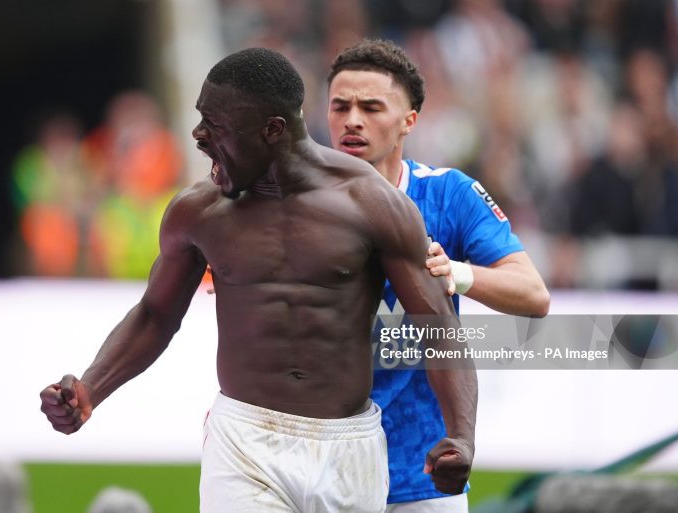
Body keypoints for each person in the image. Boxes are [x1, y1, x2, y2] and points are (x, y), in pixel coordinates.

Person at [40, 47, 475, 513]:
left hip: (349, 446)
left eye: (216, 125)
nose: (198, 135)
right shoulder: (198, 211)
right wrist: (90, 390)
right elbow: (155, 314)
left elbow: (438, 328)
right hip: (244, 441)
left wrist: (461, 437)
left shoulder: (370, 203)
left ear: (273, 131)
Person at [327, 39, 550, 512]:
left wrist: (458, 274)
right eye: (340, 106)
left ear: (409, 120)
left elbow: (533, 293)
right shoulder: (296, 203)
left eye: (370, 107)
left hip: (424, 470)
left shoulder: (449, 194)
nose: (352, 120)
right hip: (320, 466)